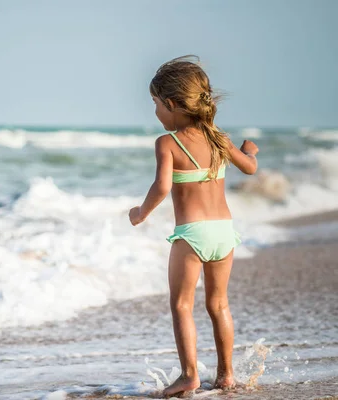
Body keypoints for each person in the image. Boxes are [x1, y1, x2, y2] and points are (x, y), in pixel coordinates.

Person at [128, 56, 259, 397]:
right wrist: (250, 150)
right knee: (219, 305)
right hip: (223, 232)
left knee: (182, 305)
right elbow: (249, 168)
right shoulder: (218, 138)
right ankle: (226, 374)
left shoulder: (168, 143)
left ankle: (189, 376)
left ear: (171, 104)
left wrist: (141, 213)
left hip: (192, 235)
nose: (155, 111)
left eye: (156, 104)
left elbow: (161, 188)